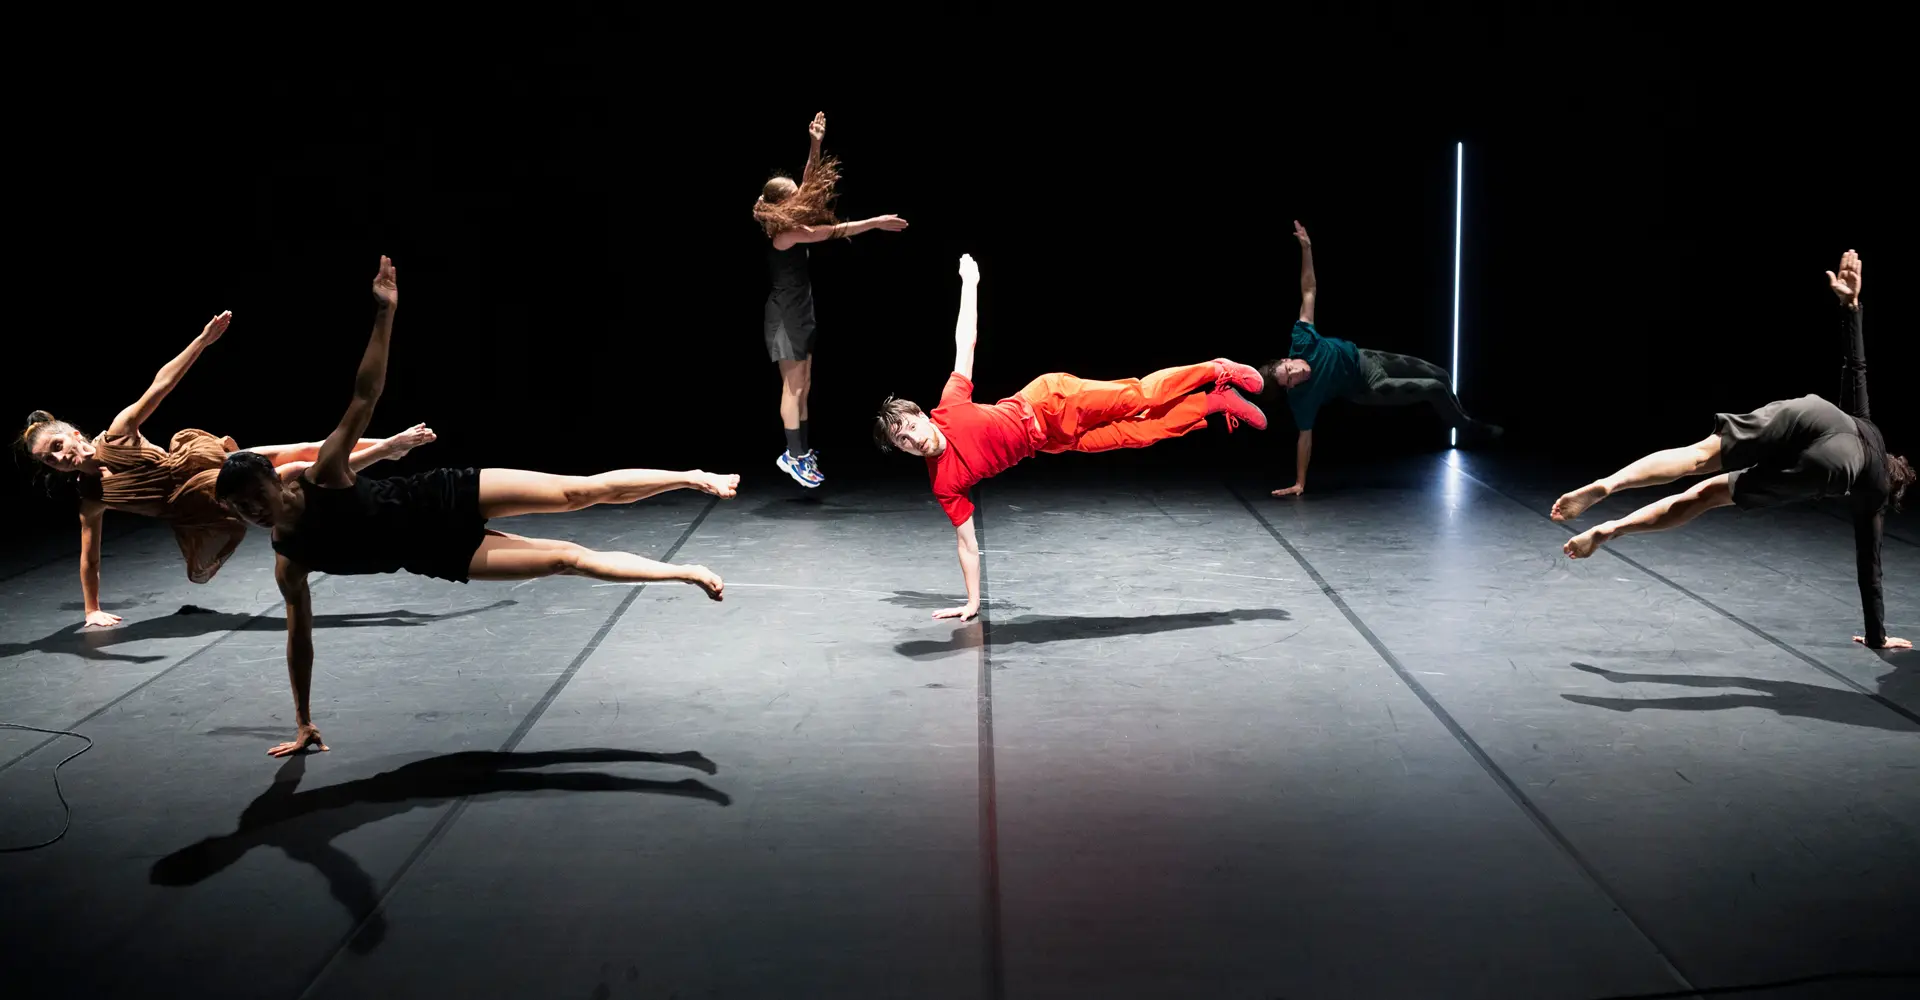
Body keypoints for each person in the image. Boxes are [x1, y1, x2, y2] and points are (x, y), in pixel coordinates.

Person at [214, 257, 741, 756]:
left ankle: (691, 477)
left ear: (275, 482)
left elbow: (364, 397)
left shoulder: (323, 474)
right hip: (438, 554)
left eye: (255, 498)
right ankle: (685, 572)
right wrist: (303, 720)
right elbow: (299, 639)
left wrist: (385, 313)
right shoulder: (290, 560)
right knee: (566, 559)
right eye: (241, 509)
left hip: (442, 495)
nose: (252, 513)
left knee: (577, 492)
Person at [872, 254, 1268, 622]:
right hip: (1052, 440)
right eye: (903, 441)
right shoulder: (943, 484)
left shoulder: (951, 404)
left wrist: (969, 282)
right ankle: (1215, 402)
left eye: (911, 427)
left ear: (922, 415)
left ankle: (1216, 369)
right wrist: (973, 601)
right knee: (1140, 434)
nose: (913, 439)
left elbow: (965, 341)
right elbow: (965, 543)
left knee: (1139, 397)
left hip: (1051, 400)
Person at [1551, 249, 1912, 649]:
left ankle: (1608, 484)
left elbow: (1856, 366)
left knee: (1697, 456)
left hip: (1815, 414)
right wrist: (1877, 636)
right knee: (1705, 495)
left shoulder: (1869, 426)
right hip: (1833, 465)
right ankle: (1610, 530)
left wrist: (1852, 306)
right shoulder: (1876, 490)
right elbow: (1870, 564)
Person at [15, 310, 436, 628]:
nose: (59, 458)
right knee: (297, 472)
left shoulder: (118, 434)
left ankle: (386, 446)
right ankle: (387, 449)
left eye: (57, 446)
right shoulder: (91, 498)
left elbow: (161, 384)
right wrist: (91, 610)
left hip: (197, 461)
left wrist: (202, 341)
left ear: (73, 433)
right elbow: (89, 558)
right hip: (199, 498)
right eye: (49, 459)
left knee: (299, 451)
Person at [1262, 221, 1501, 497]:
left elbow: (1309, 290)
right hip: (1369, 387)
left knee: (1442, 375)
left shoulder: (1302, 340)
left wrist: (1307, 248)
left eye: (1290, 370)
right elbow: (1304, 439)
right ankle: (1467, 426)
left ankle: (1461, 419)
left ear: (1287, 359)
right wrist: (1300, 483)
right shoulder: (1301, 399)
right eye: (1291, 380)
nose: (1296, 374)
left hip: (1367, 357)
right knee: (1434, 388)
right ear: (1290, 388)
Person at [753, 111, 909, 488]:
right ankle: (792, 456)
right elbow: (831, 232)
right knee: (793, 386)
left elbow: (808, 187)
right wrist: (875, 223)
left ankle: (802, 452)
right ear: (781, 203)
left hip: (800, 309)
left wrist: (815, 143)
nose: (801, 196)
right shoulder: (784, 233)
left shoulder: (788, 220)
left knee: (804, 383)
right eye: (793, 195)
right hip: (786, 315)